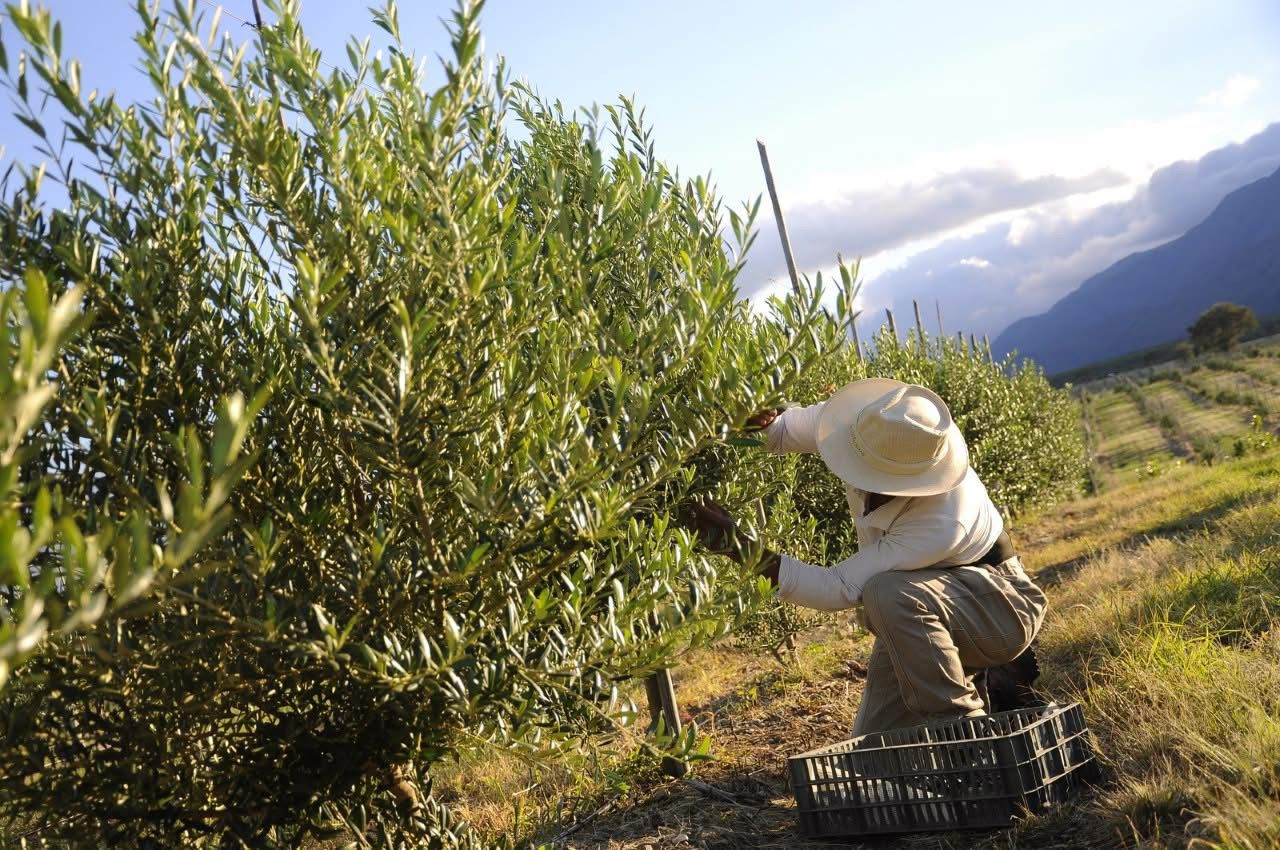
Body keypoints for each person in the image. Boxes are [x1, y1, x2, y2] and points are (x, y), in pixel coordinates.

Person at [685, 378, 1047, 735]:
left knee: (887, 593)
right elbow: (780, 432)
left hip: (1000, 607)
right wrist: (751, 419)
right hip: (919, 615)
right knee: (875, 746)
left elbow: (836, 587)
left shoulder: (945, 518)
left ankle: (966, 731)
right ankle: (984, 687)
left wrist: (736, 545)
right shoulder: (872, 424)